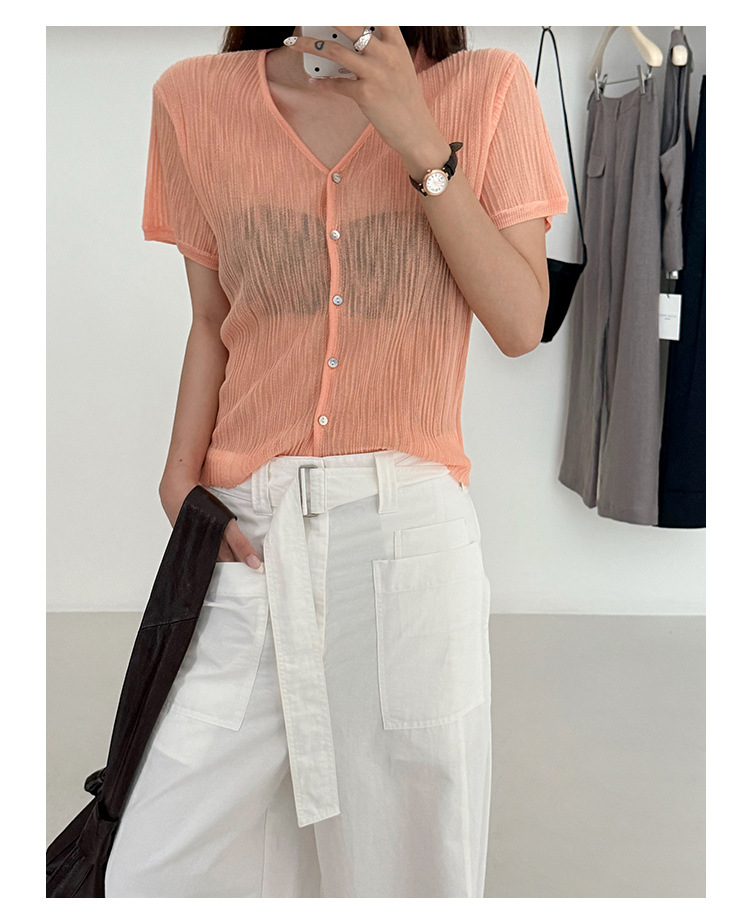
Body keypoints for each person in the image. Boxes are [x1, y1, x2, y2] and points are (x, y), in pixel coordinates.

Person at [104, 26, 568, 898]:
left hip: (405, 539)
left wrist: (418, 139)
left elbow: (519, 323)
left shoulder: (489, 88)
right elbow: (211, 318)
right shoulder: (194, 98)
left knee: (412, 874)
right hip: (250, 536)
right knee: (155, 871)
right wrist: (179, 476)